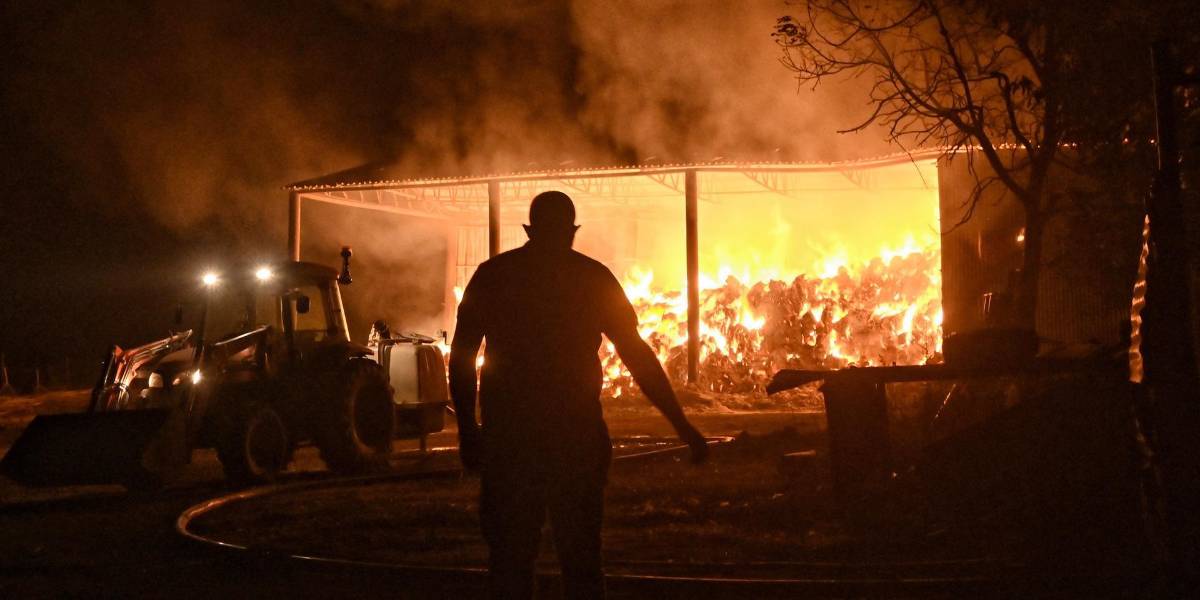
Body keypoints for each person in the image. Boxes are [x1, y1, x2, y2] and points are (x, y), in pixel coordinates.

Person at [449, 190, 708, 599]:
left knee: (511, 561)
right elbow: (636, 354)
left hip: (511, 440)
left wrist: (468, 429)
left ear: (529, 230)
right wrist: (681, 424)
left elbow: (463, 356)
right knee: (581, 559)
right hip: (574, 438)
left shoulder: (494, 275)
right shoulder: (592, 278)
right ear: (572, 231)